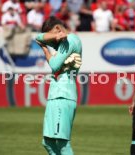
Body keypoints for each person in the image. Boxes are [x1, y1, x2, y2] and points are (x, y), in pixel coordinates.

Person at [35, 16, 82, 155]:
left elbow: (55, 66)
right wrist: (52, 39)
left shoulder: (71, 40)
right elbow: (38, 37)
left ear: (57, 28)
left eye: (52, 34)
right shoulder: (60, 42)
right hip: (55, 96)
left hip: (64, 95)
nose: (51, 41)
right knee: (47, 142)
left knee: (62, 142)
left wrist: (45, 49)